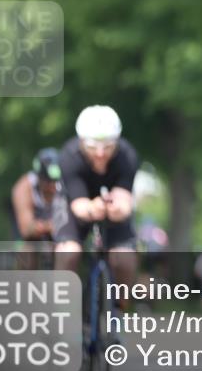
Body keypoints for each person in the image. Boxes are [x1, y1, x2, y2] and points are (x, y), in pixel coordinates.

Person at [53, 105, 138, 294]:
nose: (100, 154)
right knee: (69, 253)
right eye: (92, 147)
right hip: (76, 203)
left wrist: (117, 209)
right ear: (81, 142)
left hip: (110, 204)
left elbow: (124, 200)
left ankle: (120, 307)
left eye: (108, 147)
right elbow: (79, 206)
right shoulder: (69, 156)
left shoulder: (127, 156)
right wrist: (93, 208)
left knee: (125, 259)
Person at [10, 148, 62, 245]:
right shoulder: (23, 187)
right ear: (39, 178)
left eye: (56, 181)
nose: (53, 187)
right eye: (48, 182)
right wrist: (49, 226)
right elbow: (26, 230)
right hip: (27, 239)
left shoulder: (64, 181)